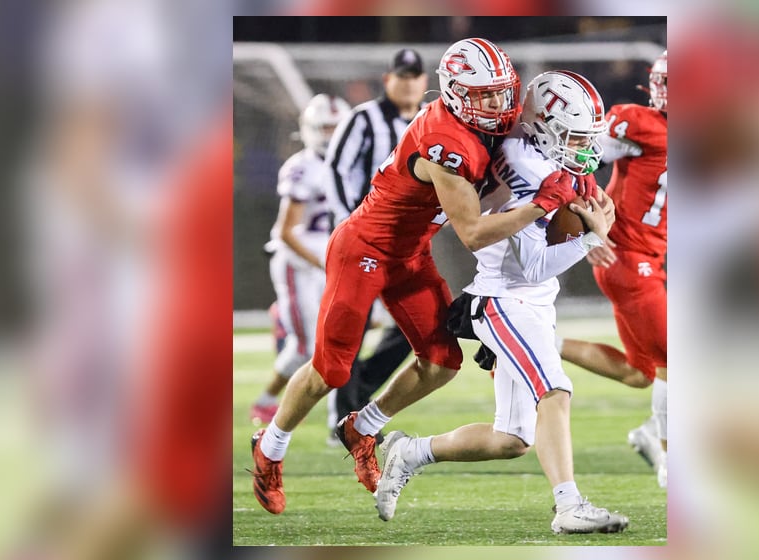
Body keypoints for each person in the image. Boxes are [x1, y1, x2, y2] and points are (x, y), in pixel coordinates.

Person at [248, 38, 594, 515]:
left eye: (502, 92)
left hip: (410, 253)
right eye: (484, 96)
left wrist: (578, 175)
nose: (497, 105)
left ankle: (361, 428)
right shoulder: (446, 143)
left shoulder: (485, 120)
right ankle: (270, 447)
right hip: (365, 249)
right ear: (454, 93)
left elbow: (537, 137)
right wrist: (545, 202)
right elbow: (473, 233)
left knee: (441, 361)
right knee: (333, 368)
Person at [372, 70, 628, 535]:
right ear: (544, 126)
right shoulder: (529, 170)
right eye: (573, 137)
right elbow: (531, 266)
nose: (583, 149)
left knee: (511, 439)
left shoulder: (527, 147)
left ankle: (409, 451)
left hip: (529, 300)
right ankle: (568, 506)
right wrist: (591, 238)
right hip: (506, 299)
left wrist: (582, 204)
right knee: (555, 389)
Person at [557, 51, 669, 487]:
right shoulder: (639, 124)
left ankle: (542, 343)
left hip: (649, 259)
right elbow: (570, 162)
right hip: (625, 257)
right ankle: (669, 460)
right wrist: (585, 227)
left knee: (638, 373)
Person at [322, 48, 429, 446]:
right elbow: (336, 169)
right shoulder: (364, 118)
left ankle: (359, 391)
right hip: (364, 239)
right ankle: (344, 416)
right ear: (388, 79)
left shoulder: (431, 118)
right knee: (352, 324)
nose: (408, 82)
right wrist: (350, 219)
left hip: (407, 246)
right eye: (401, 75)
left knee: (412, 329)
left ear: (424, 81)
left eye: (415, 75)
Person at [249, 93, 351, 425]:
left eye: (337, 127)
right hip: (301, 263)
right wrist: (327, 264)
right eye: (325, 128)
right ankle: (268, 400)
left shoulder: (351, 165)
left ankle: (335, 411)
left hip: (333, 258)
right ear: (310, 129)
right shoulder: (302, 167)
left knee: (353, 333)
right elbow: (286, 232)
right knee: (310, 348)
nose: (331, 135)